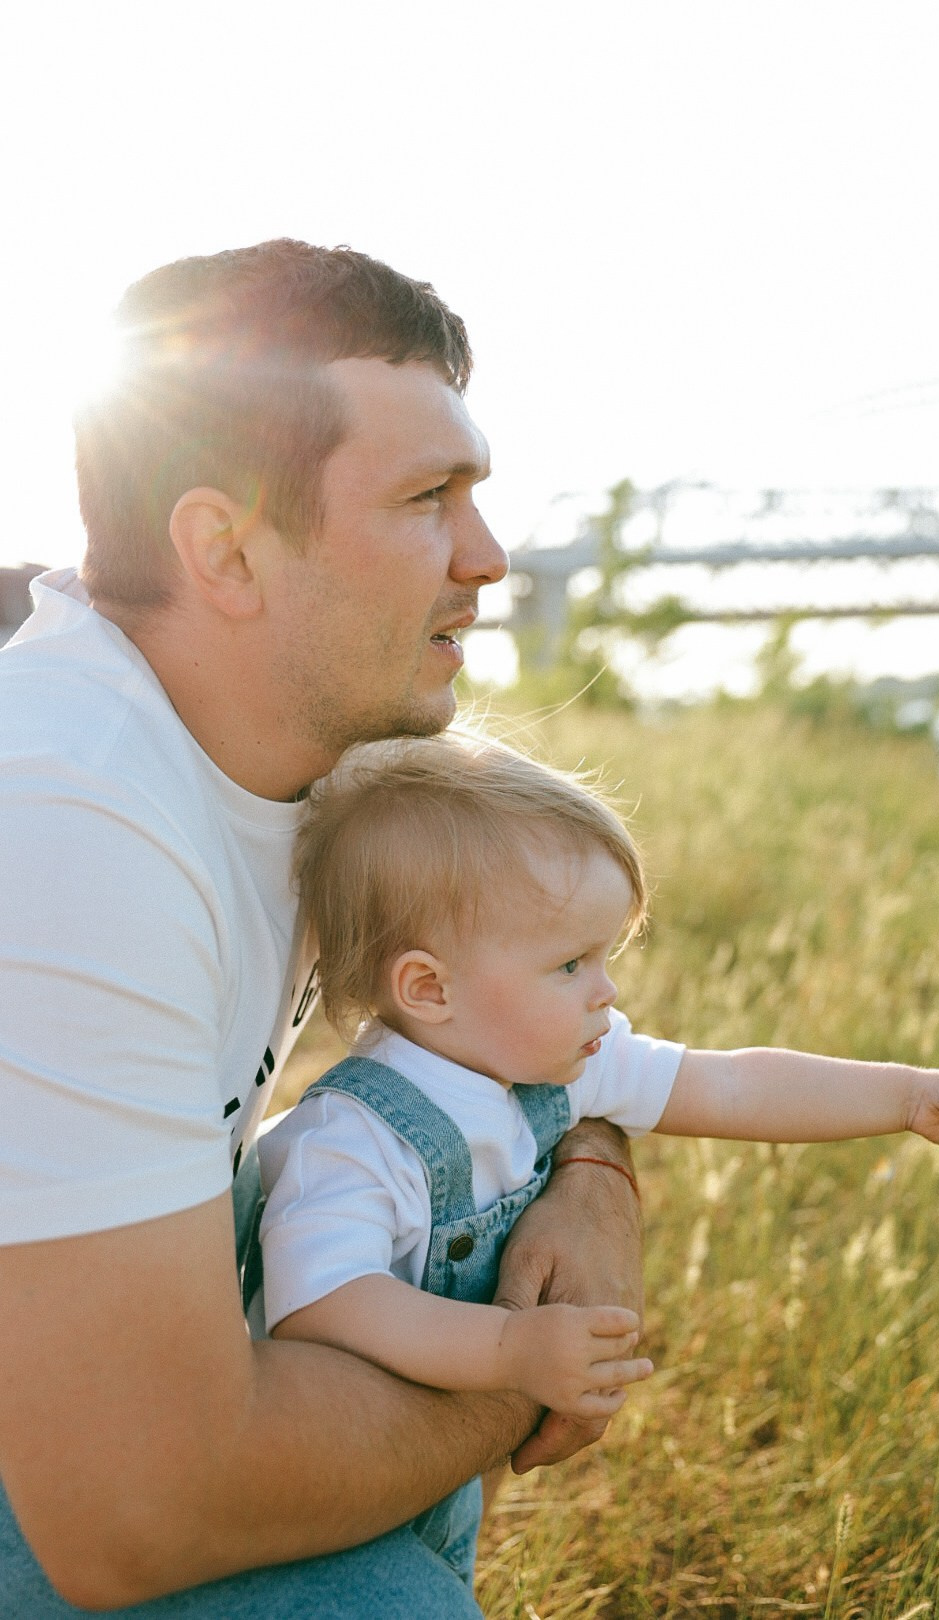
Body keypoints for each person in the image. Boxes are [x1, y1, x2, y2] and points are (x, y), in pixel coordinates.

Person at [0, 241, 647, 1618]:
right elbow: (135, 1512)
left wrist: (594, 1173)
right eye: (427, 499)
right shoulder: (66, 817)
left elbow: (535, 1000)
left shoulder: (328, 754)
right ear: (227, 550)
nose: (489, 556)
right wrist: (525, 1361)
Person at [256, 727, 939, 1540]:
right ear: (429, 988)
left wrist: (907, 1095)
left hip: (447, 1471)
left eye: (605, 956)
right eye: (570, 964)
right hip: (336, 1488)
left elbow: (731, 1084)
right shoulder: (352, 1141)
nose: (605, 990)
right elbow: (324, 1303)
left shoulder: (547, 1063)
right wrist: (508, 1349)